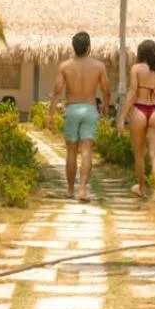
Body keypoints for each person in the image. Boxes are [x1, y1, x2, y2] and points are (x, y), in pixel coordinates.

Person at [48, 31, 110, 202]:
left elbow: (57, 91)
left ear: (74, 48)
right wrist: (105, 106)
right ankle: (83, 190)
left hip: (72, 109)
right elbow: (106, 90)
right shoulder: (99, 66)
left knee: (71, 151)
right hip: (89, 109)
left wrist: (50, 113)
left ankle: (70, 189)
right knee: (87, 150)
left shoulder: (65, 66)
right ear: (89, 47)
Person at [122, 39, 155, 199]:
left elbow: (132, 93)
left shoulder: (136, 68)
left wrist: (122, 116)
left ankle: (141, 188)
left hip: (139, 109)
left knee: (139, 154)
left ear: (140, 53)